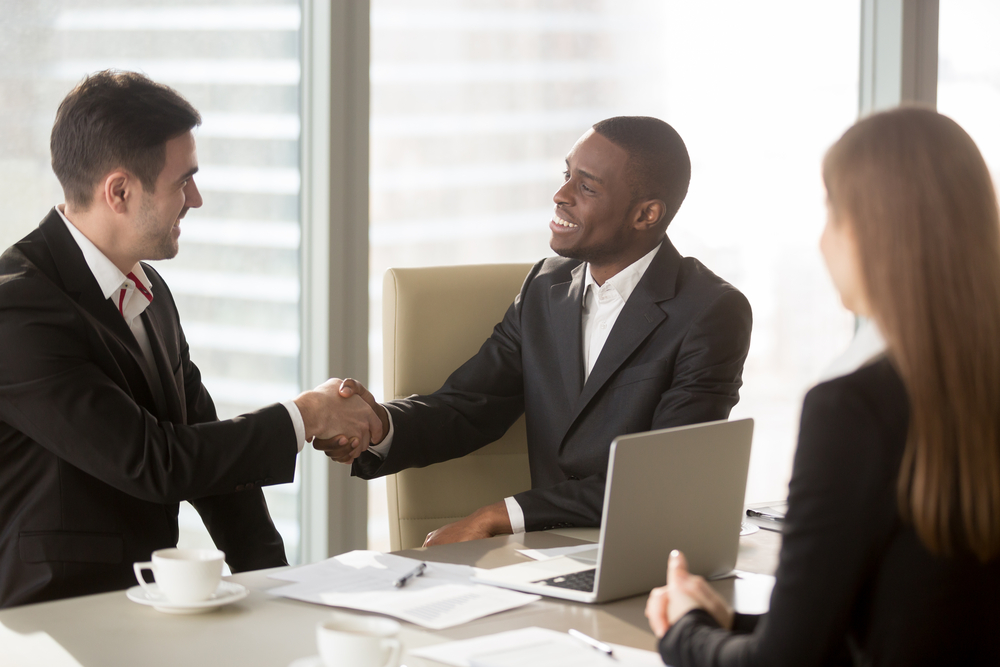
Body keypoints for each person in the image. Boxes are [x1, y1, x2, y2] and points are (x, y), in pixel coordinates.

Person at [0, 70, 382, 608]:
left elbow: (208, 457)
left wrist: (282, 588)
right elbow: (156, 462)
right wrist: (305, 417)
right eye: (183, 180)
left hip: (146, 607)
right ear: (120, 191)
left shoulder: (149, 289)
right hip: (55, 617)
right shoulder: (15, 309)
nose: (196, 199)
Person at [645, 107, 1000, 666]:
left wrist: (683, 631)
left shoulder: (854, 407)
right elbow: (919, 614)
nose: (823, 242)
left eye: (833, 215)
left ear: (875, 232)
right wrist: (728, 622)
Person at [320, 116, 753, 546]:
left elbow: (660, 481)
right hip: (542, 556)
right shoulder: (545, 286)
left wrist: (499, 515)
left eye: (586, 186)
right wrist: (379, 426)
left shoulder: (711, 312)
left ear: (646, 214)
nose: (560, 195)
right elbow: (471, 405)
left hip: (643, 556)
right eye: (567, 175)